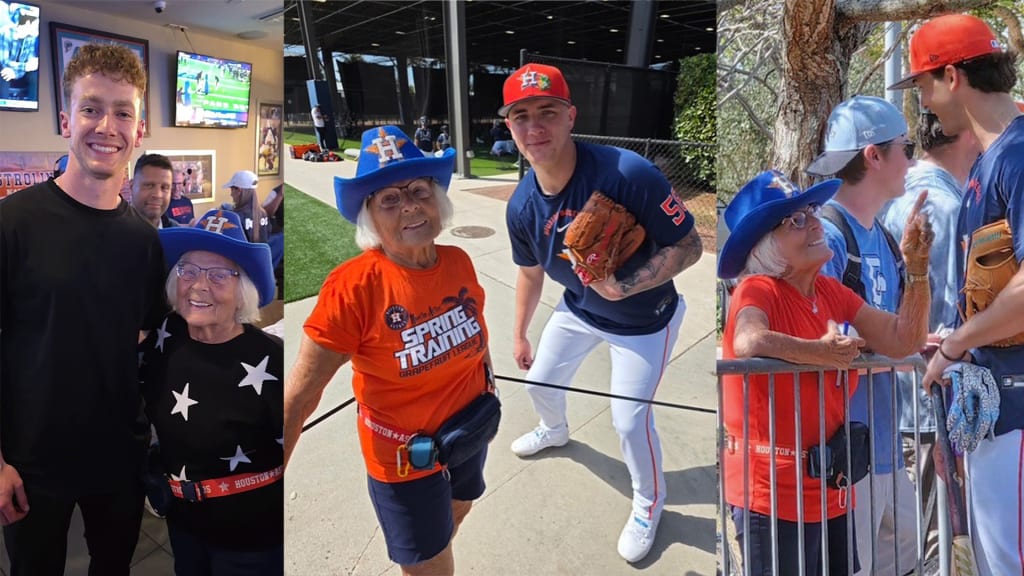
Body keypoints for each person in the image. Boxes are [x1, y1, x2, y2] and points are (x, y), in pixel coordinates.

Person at [499, 62, 703, 563]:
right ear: (509, 127)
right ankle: (555, 430)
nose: (534, 126)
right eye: (521, 116)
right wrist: (520, 334)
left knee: (629, 422)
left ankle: (648, 502)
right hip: (577, 310)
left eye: (547, 111)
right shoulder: (522, 206)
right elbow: (530, 274)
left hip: (644, 323)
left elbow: (691, 245)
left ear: (571, 116)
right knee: (539, 383)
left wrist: (626, 285)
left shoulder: (626, 173)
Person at [284, 126, 493, 576]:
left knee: (458, 509)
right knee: (430, 565)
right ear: (370, 218)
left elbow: (478, 339)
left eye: (419, 190)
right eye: (390, 199)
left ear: (437, 199)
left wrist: (488, 385)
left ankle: (434, 540)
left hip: (469, 431)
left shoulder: (458, 261)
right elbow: (300, 395)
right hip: (405, 459)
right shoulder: (353, 288)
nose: (410, 206)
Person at [0, 43, 167, 575]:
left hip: (118, 455)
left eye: (123, 113)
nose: (107, 127)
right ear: (66, 120)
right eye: (91, 108)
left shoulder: (145, 241)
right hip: (31, 456)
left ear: (140, 129)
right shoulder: (13, 223)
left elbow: (143, 337)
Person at [718, 170, 932, 575]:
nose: (816, 223)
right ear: (766, 246)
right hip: (771, 492)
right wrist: (821, 353)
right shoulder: (758, 288)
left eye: (812, 211)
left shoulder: (830, 292)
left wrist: (918, 271)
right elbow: (748, 341)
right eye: (796, 220)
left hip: (830, 486)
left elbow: (904, 340)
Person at [891, 13, 1024, 574]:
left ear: (952, 76)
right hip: (999, 408)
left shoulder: (1016, 155)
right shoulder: (987, 164)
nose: (922, 100)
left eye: (923, 84)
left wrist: (953, 346)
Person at [805, 94, 920, 575]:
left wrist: (916, 345)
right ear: (873, 155)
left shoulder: (885, 237)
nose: (912, 159)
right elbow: (820, 345)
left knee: (906, 554)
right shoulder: (826, 238)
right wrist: (896, 351)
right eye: (907, 147)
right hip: (844, 449)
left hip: (884, 443)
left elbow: (891, 333)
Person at [141, 208, 281, 575]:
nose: (199, 286)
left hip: (252, 538)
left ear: (243, 290)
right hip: (184, 526)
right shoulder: (165, 333)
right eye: (188, 270)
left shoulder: (272, 360)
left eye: (219, 275)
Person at [880, 111, 981, 563]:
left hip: (902, 405)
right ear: (968, 134)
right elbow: (952, 316)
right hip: (930, 408)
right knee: (937, 547)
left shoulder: (897, 195)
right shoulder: (945, 206)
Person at [0, 5, 38, 102]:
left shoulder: (31, 38)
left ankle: (32, 104)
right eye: (36, 23)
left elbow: (30, 61)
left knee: (35, 75)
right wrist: (25, 67)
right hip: (6, 68)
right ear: (28, 23)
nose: (37, 28)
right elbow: (4, 62)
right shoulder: (6, 32)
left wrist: (17, 73)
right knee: (4, 73)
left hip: (18, 71)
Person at [129, 153, 178, 229]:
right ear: (132, 186)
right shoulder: (112, 232)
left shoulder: (176, 232)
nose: (158, 195)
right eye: (149, 185)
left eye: (164, 187)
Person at [223, 169, 270, 244]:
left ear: (239, 190)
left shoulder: (235, 217)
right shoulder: (263, 213)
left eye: (232, 190)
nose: (231, 194)